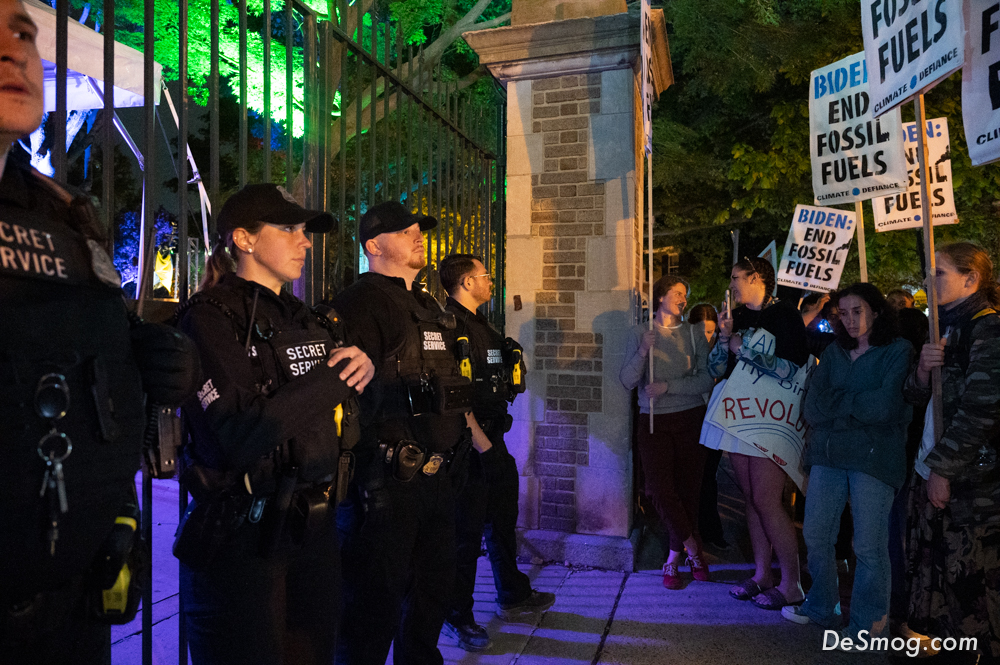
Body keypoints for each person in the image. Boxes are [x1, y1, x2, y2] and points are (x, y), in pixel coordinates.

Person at [1, 2, 198, 661]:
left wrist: (144, 355)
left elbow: (103, 347)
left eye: (23, 31)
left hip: (74, 608)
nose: (15, 50)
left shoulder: (63, 211)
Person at [174, 184, 372, 665]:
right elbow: (239, 433)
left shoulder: (308, 319)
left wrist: (358, 368)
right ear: (243, 239)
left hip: (316, 527)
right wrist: (333, 380)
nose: (305, 242)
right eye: (288, 229)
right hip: (247, 532)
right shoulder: (209, 317)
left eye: (305, 232)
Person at [331, 202, 473, 665]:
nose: (417, 235)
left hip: (438, 477)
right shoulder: (360, 303)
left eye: (418, 229)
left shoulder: (427, 304)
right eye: (404, 230)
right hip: (390, 481)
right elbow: (351, 395)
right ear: (373, 245)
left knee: (432, 593)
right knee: (374, 604)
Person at [783, 283, 912, 648]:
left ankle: (868, 627)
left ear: (876, 311)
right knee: (816, 535)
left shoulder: (898, 350)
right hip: (827, 455)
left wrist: (839, 404)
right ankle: (822, 605)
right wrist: (855, 406)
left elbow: (886, 407)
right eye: (843, 313)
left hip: (874, 459)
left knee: (868, 545)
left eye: (858, 311)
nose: (851, 320)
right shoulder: (835, 351)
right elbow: (811, 407)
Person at [438, 253, 555, 651]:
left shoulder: (483, 326)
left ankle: (512, 593)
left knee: (503, 521)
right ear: (466, 283)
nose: (491, 282)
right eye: (485, 276)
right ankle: (457, 615)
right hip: (471, 446)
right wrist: (480, 442)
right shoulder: (449, 326)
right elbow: (452, 393)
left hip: (494, 439)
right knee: (466, 536)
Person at [903, 242, 1000, 664]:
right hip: (938, 474)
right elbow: (914, 398)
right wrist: (924, 371)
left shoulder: (988, 328)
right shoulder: (945, 327)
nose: (929, 280)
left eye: (938, 272)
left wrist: (942, 469)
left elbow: (983, 407)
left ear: (971, 278)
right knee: (941, 584)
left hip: (974, 489)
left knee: (974, 591)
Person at [701, 257, 809, 610]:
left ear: (757, 277)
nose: (731, 284)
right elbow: (716, 367)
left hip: (770, 420)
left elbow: (792, 368)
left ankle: (791, 583)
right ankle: (762, 575)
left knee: (766, 499)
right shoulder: (739, 317)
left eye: (735, 278)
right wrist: (723, 335)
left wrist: (742, 348)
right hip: (739, 416)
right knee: (750, 498)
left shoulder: (786, 315)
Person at [621, 276, 715, 589]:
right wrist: (643, 351)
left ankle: (673, 560)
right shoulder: (640, 332)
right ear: (661, 296)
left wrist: (668, 387)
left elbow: (706, 381)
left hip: (690, 418)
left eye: (685, 294)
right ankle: (694, 548)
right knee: (658, 490)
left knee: (688, 490)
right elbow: (627, 380)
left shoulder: (694, 333)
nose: (683, 299)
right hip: (653, 421)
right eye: (677, 293)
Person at [688, 303, 728, 549]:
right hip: (691, 416)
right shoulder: (684, 349)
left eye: (711, 332)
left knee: (709, 476)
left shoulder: (719, 352)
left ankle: (711, 530)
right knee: (692, 477)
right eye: (702, 331)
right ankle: (692, 533)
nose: (707, 337)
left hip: (713, 419)